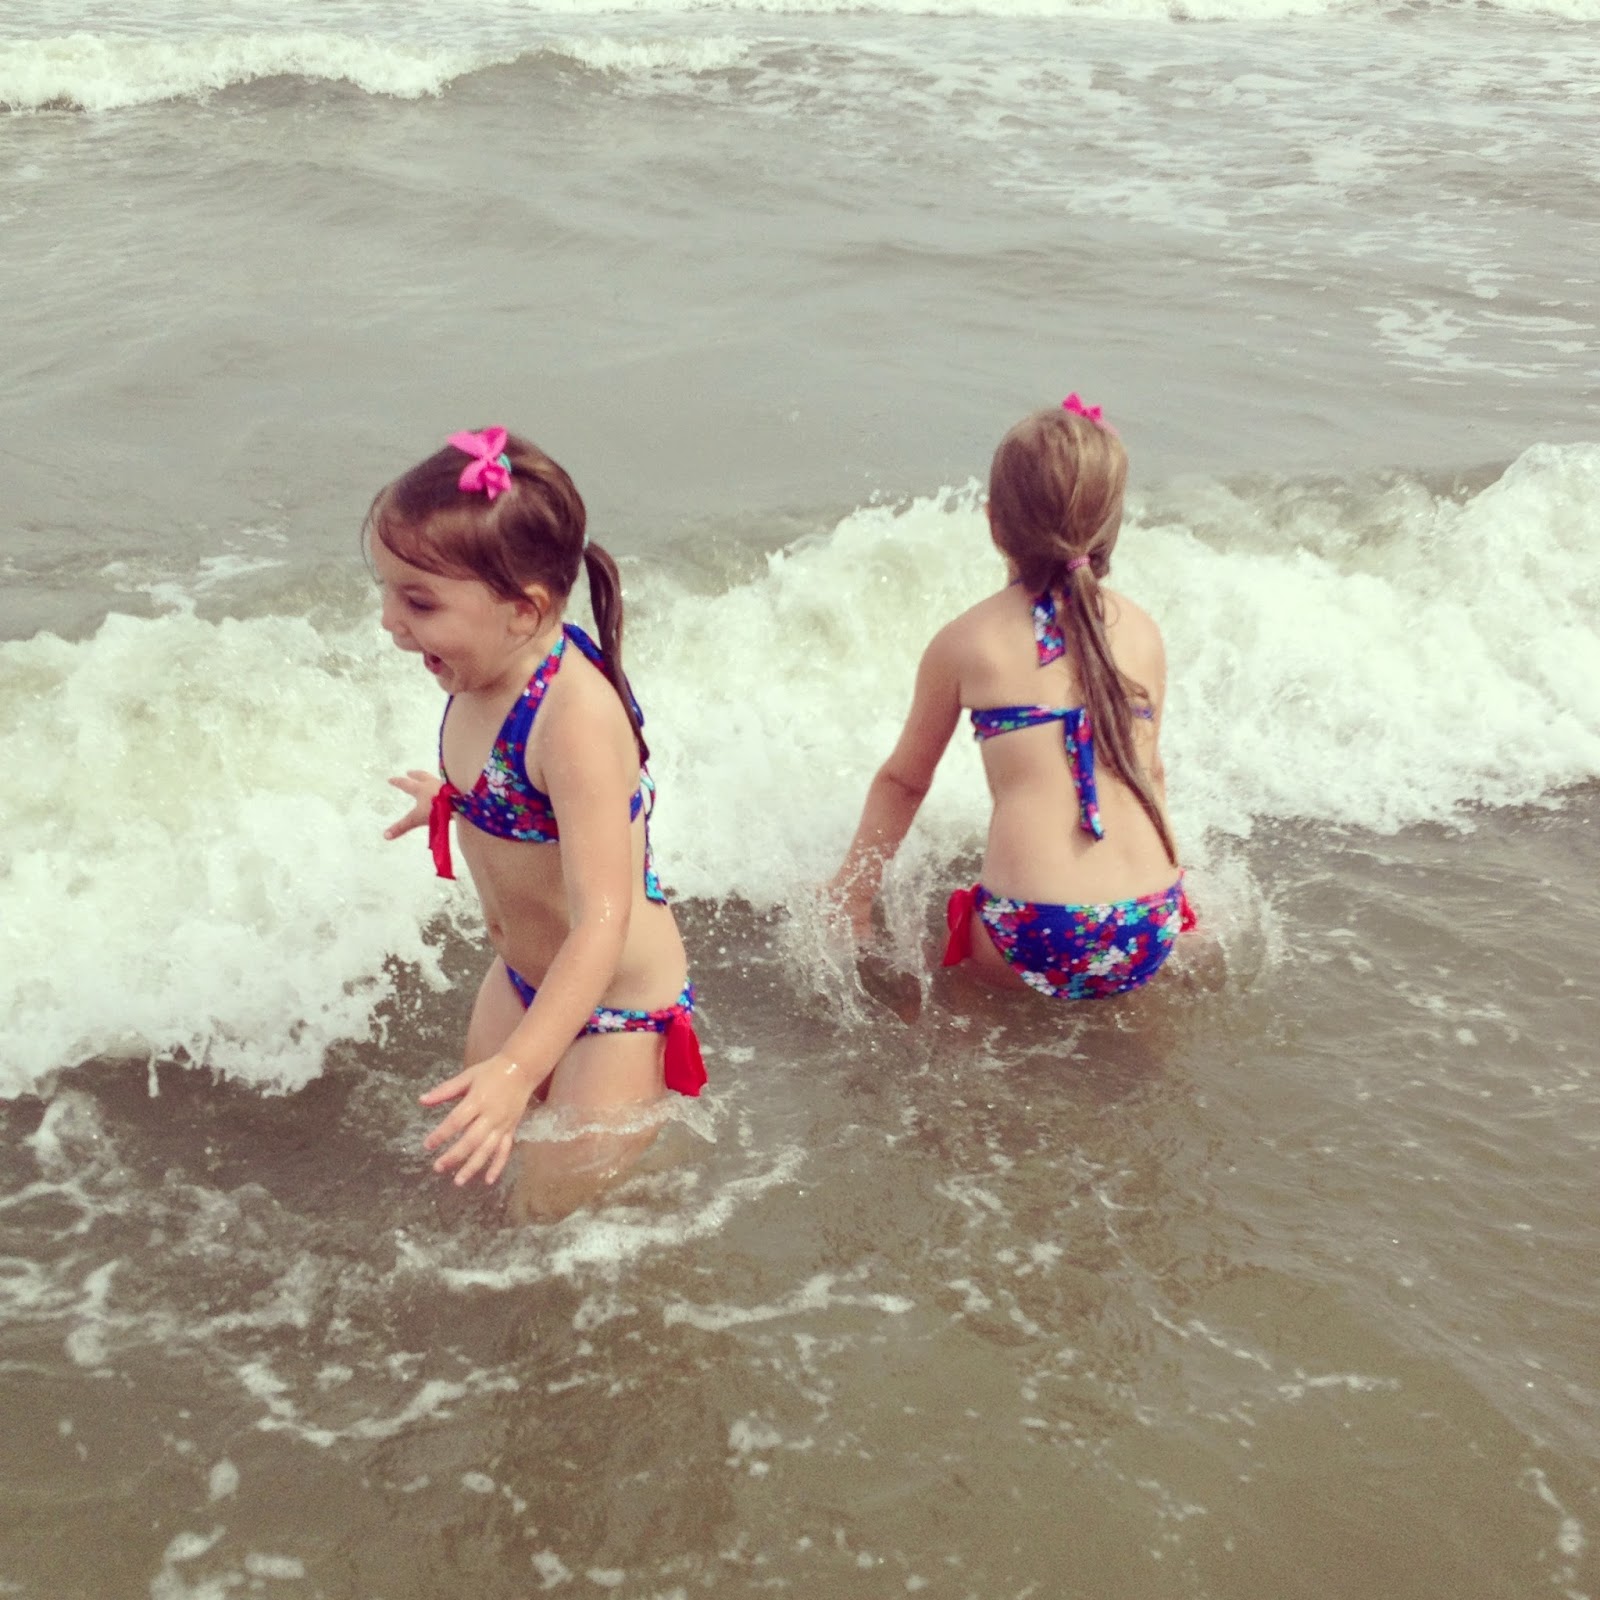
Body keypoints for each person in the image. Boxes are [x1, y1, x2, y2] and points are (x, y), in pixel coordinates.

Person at [369, 426, 704, 1209]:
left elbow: (603, 922)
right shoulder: (480, 670)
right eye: (385, 590)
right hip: (525, 978)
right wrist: (454, 799)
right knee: (478, 1189)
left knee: (556, 1217)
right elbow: (523, 800)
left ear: (524, 611)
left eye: (418, 601)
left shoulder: (573, 718)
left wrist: (520, 1068)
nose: (389, 620)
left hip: (617, 1003)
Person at [830, 395, 1192, 1001]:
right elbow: (1151, 773)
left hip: (1033, 928)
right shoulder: (1143, 632)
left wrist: (853, 895)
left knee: (958, 1014)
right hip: (1152, 917)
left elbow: (904, 783)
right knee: (1128, 1032)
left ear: (994, 523)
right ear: (1110, 526)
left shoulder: (968, 641)